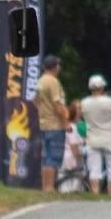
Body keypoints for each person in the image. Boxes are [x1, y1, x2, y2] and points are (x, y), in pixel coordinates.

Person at [79, 75, 111, 194]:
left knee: (94, 170)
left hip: (92, 139)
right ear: (102, 87)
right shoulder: (109, 101)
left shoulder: (84, 102)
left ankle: (95, 195)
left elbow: (81, 117)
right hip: (109, 139)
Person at [35, 55, 69, 192]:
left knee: (46, 156)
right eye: (59, 65)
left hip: (43, 124)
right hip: (55, 125)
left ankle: (45, 186)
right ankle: (50, 187)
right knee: (53, 157)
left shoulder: (40, 81)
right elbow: (57, 104)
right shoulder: (53, 82)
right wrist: (65, 122)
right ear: (56, 67)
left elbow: (35, 102)